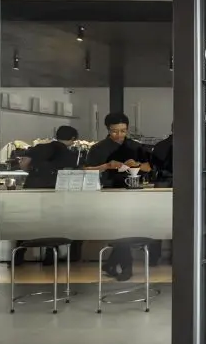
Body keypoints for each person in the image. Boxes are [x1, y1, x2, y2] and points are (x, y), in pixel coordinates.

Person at [84, 112, 152, 281]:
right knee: (122, 229)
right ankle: (125, 267)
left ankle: (113, 264)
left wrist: (136, 164)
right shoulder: (98, 148)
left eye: (123, 131)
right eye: (115, 131)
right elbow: (86, 170)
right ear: (108, 129)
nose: (119, 135)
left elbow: (149, 167)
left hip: (133, 192)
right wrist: (107, 165)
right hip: (108, 192)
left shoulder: (135, 147)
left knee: (126, 229)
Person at [14, 126, 81, 267]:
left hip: (32, 187)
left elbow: (24, 164)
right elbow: (70, 173)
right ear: (73, 139)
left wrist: (33, 172)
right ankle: (50, 256)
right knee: (52, 222)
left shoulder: (40, 147)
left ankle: (18, 255)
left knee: (27, 221)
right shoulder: (70, 154)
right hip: (53, 189)